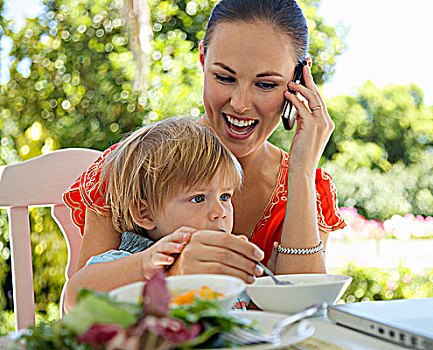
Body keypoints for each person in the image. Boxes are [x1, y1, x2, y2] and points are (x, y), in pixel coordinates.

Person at [63, 0, 346, 283]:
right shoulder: (133, 167)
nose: (240, 104)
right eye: (224, 77)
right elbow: (79, 308)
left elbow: (305, 313)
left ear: (299, 79)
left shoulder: (309, 188)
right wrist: (172, 270)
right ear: (202, 59)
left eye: (265, 84)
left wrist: (302, 171)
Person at [63, 117, 258, 310]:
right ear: (144, 213)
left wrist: (256, 274)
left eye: (225, 196)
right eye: (198, 198)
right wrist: (144, 265)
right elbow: (74, 297)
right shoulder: (126, 261)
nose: (219, 212)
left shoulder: (223, 265)